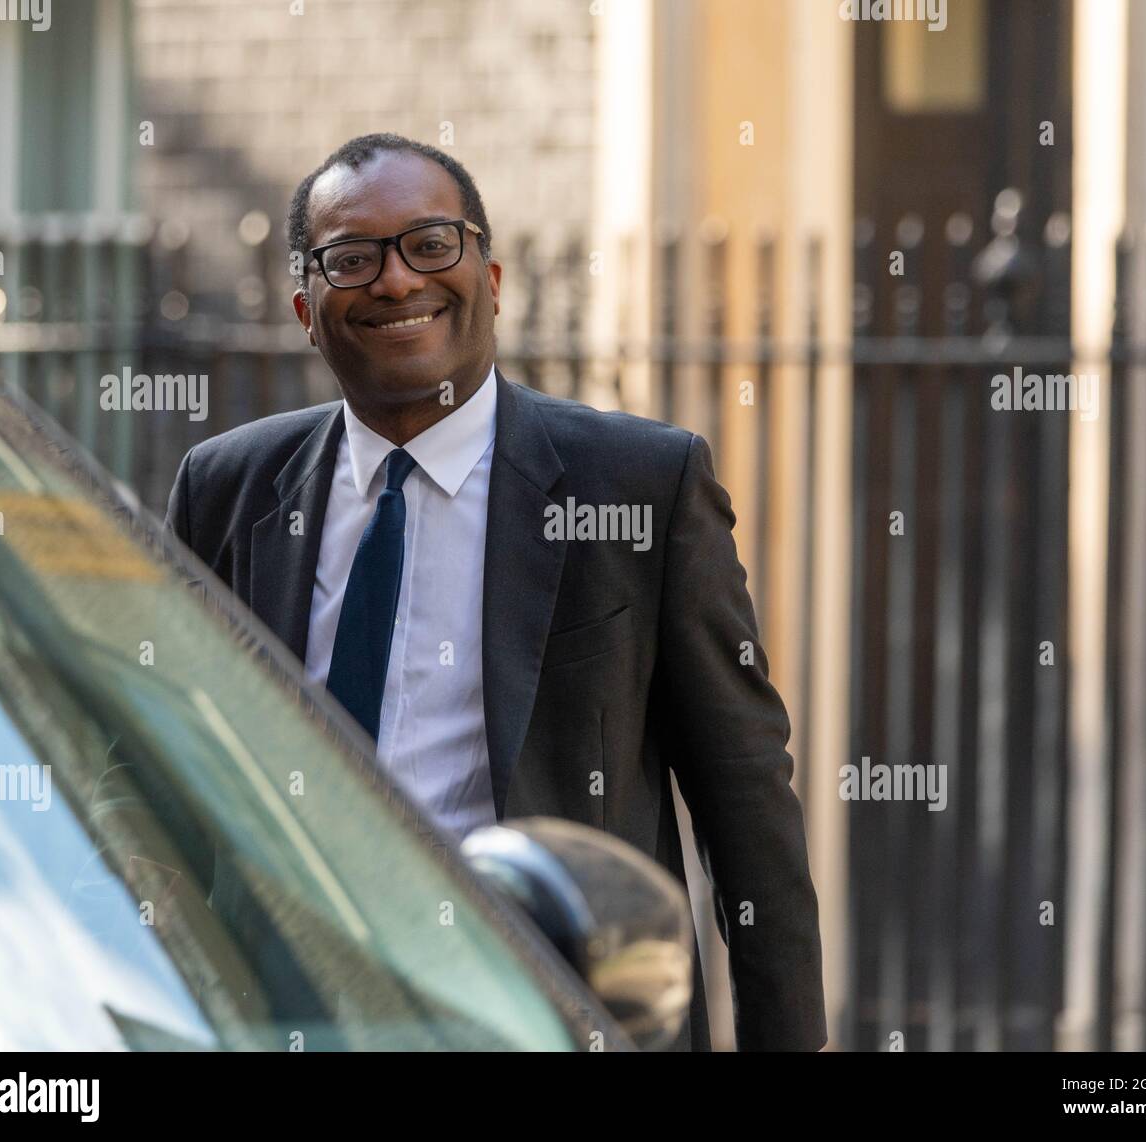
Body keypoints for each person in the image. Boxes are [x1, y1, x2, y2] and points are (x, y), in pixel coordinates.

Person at [164, 133, 826, 1052]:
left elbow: (743, 785)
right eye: (352, 259)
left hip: (542, 1015)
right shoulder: (226, 486)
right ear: (305, 309)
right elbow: (148, 751)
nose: (396, 281)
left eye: (431, 244)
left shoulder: (635, 485)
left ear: (492, 277)